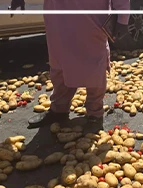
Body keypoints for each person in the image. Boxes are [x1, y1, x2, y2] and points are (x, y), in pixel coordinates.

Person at [29, 0, 130, 130]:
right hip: (57, 17)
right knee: (59, 64)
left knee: (94, 65)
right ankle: (59, 110)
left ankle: (95, 113)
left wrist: (123, 18)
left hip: (91, 19)